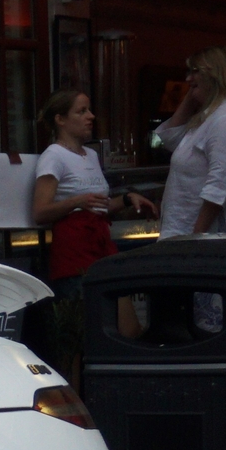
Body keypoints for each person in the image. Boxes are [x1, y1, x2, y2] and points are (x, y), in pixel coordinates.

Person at [33, 89, 155, 377]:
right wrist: (76, 202)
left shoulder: (89, 154)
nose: (91, 117)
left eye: (89, 110)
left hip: (101, 246)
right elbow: (40, 211)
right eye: (82, 111)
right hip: (74, 251)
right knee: (77, 339)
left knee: (127, 329)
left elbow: (99, 205)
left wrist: (125, 200)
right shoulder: (53, 156)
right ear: (60, 119)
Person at [154, 46, 226, 239]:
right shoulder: (207, 117)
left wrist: (196, 238)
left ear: (215, 75)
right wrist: (193, 92)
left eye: (196, 72)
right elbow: (169, 138)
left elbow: (220, 186)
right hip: (181, 235)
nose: (188, 78)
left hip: (207, 241)